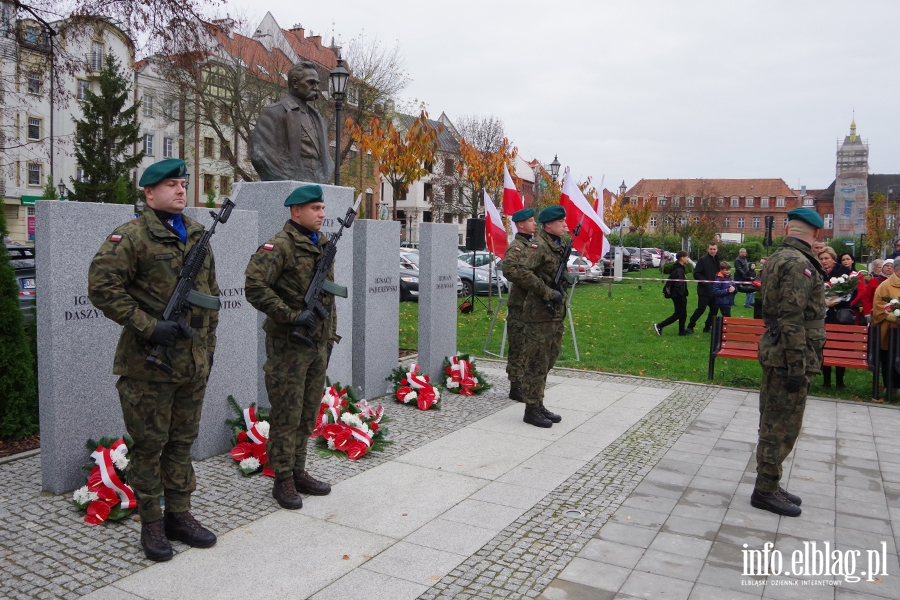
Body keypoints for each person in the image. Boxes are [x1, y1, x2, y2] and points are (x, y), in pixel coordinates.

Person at [87, 158, 220, 561]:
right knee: (149, 447)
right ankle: (152, 524)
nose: (181, 190)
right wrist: (148, 325)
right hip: (147, 366)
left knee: (181, 444)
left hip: (191, 363)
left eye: (183, 184)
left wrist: (208, 351)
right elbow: (101, 288)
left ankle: (180, 514)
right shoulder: (130, 237)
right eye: (172, 185)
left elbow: (210, 299)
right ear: (149, 193)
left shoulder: (197, 234)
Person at [245, 185, 338, 510]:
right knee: (286, 413)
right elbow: (254, 287)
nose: (322, 214)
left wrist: (328, 336)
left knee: (308, 411)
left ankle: (298, 469)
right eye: (315, 208)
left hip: (317, 343)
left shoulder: (322, 244)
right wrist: (291, 315)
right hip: (289, 346)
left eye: (323, 208)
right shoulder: (279, 246)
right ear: (296, 211)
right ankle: (282, 478)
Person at [753, 207, 825, 517]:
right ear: (816, 234)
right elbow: (791, 318)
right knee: (782, 426)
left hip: (777, 350)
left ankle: (769, 482)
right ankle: (765, 490)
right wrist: (798, 365)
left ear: (788, 230)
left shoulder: (779, 258)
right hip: (790, 355)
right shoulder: (798, 264)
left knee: (773, 419)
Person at [504, 205, 566, 428]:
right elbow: (514, 270)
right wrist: (546, 291)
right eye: (561, 222)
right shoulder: (535, 246)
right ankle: (530, 405)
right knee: (530, 357)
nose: (566, 225)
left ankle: (537, 402)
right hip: (534, 309)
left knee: (548, 358)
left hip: (552, 312)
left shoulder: (558, 245)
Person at [250, 62, 335, 184]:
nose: (316, 87)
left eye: (317, 83)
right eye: (310, 82)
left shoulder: (317, 118)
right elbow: (262, 155)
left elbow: (326, 161)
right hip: (291, 178)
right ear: (295, 83)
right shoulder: (273, 113)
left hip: (317, 177)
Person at [502, 208, 537, 402]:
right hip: (519, 304)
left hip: (532, 304)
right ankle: (515, 386)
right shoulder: (516, 246)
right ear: (520, 224)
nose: (535, 224)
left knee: (529, 345)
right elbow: (509, 270)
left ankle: (526, 382)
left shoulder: (532, 245)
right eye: (531, 221)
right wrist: (529, 281)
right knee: (518, 346)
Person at [873, 267, 900, 398]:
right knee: (889, 357)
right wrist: (894, 316)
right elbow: (878, 305)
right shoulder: (885, 285)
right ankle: (890, 386)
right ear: (897, 269)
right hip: (891, 329)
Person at [654, 251, 691, 336]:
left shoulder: (680, 268)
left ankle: (682, 332)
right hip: (678, 295)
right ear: (682, 258)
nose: (687, 259)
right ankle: (659, 325)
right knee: (678, 314)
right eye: (686, 257)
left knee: (683, 314)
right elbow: (679, 285)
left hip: (680, 294)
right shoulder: (679, 270)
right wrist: (681, 294)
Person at [686, 242, 719, 334]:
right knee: (701, 308)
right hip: (704, 290)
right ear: (708, 249)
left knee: (715, 308)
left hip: (715, 290)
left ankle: (707, 327)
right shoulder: (702, 260)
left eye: (714, 249)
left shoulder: (717, 260)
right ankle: (690, 326)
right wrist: (705, 282)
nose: (712, 251)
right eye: (711, 249)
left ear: (717, 250)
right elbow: (696, 273)